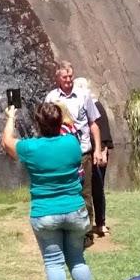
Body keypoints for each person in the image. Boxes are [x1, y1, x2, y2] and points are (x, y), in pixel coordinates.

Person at [2, 102, 97, 280]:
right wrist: (61, 113)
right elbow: (70, 125)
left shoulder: (31, 148)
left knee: (54, 263)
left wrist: (11, 117)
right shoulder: (72, 143)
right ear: (59, 122)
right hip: (75, 210)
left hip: (45, 213)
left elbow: (6, 142)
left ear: (38, 124)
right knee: (77, 259)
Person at [44, 62, 103, 238]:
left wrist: (98, 149)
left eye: (71, 77)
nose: (68, 80)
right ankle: (66, 229)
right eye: (65, 77)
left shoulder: (84, 95)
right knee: (64, 191)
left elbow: (94, 123)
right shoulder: (51, 98)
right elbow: (46, 125)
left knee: (85, 192)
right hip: (59, 155)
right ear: (58, 78)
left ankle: (86, 232)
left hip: (82, 152)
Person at [76, 78, 113, 237]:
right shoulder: (85, 106)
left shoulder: (95, 105)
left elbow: (103, 131)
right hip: (87, 153)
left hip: (97, 153)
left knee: (97, 188)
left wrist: (102, 151)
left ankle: (100, 223)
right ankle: (88, 223)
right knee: (88, 188)